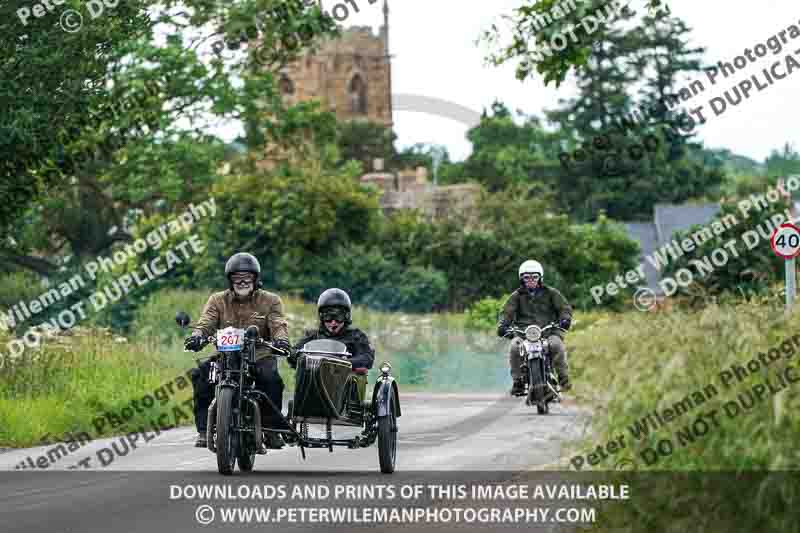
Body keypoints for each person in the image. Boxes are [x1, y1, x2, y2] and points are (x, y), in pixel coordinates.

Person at [184, 252, 291, 448]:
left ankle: (272, 430)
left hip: (259, 355)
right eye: (237, 278)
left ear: (256, 279)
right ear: (230, 280)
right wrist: (197, 336)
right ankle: (202, 431)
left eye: (247, 277)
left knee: (271, 379)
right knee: (202, 375)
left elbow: (278, 324)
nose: (242, 282)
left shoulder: (271, 300)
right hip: (226, 355)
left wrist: (281, 341)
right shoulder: (217, 300)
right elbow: (206, 322)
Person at [496, 259, 573, 395]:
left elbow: (564, 308)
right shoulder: (516, 296)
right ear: (522, 279)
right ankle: (518, 381)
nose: (531, 280)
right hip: (523, 333)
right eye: (527, 277)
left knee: (556, 345)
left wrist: (565, 319)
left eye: (534, 277)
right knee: (515, 347)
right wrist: (503, 324)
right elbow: (506, 312)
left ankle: (563, 378)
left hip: (548, 331)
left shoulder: (551, 293)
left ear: (540, 277)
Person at [290, 288, 374, 372]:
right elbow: (292, 352)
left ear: (346, 317)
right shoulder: (312, 335)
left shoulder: (356, 336)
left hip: (345, 381)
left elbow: (367, 357)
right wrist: (299, 356)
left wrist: (344, 363)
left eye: (338, 317)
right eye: (328, 317)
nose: (333, 323)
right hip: (313, 380)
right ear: (321, 317)